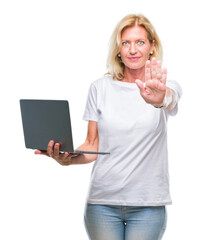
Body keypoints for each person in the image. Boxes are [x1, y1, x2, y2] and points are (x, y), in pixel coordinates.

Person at [35, 14, 182, 240]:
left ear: (152, 46)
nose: (133, 50)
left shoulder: (164, 87)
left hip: (148, 205)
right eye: (126, 43)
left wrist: (159, 98)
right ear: (118, 48)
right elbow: (92, 145)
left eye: (140, 42)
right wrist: (67, 158)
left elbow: (169, 99)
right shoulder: (99, 88)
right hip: (102, 205)